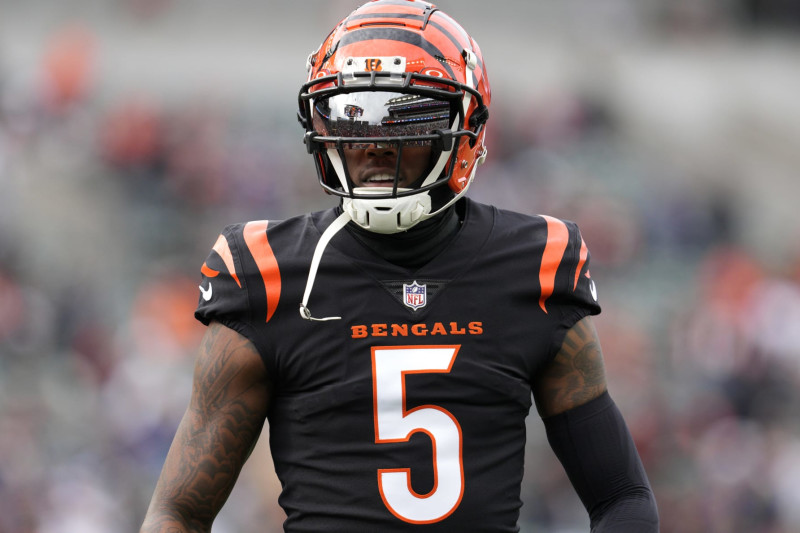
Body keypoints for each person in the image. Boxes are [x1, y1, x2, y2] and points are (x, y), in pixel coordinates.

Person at [140, 1, 659, 531]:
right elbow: (177, 512)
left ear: (465, 127)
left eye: (406, 115)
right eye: (350, 114)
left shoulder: (535, 264)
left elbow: (621, 497)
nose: (373, 142)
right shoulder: (267, 274)